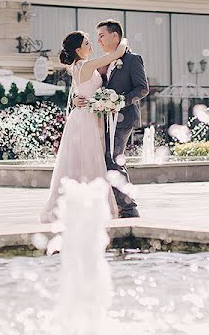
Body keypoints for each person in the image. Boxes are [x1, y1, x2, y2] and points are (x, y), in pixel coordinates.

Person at [39, 31, 126, 223]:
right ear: (78, 50)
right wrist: (123, 39)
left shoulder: (78, 66)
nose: (92, 45)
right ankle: (91, 208)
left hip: (86, 115)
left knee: (83, 160)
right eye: (87, 43)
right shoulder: (85, 65)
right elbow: (115, 54)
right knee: (89, 160)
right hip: (85, 119)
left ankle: (81, 205)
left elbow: (81, 91)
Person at [75, 19, 148, 218]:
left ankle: (129, 208)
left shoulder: (133, 59)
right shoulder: (108, 61)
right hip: (106, 119)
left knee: (113, 160)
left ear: (114, 36)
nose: (98, 41)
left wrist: (118, 102)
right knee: (110, 159)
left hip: (124, 119)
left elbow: (142, 88)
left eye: (101, 36)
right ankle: (120, 205)